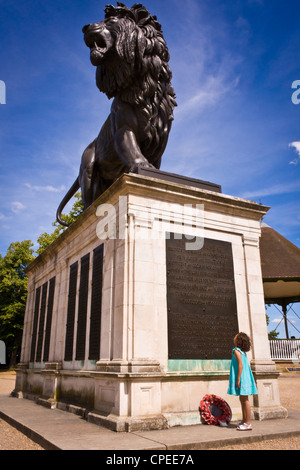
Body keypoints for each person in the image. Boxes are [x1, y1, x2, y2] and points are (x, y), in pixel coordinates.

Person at [227, 332, 258, 431]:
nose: (234, 337)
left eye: (235, 336)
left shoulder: (236, 351)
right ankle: (244, 420)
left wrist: (238, 378)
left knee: (245, 400)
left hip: (242, 378)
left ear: (238, 340)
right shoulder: (242, 352)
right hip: (246, 377)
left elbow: (240, 365)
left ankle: (248, 423)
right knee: (243, 399)